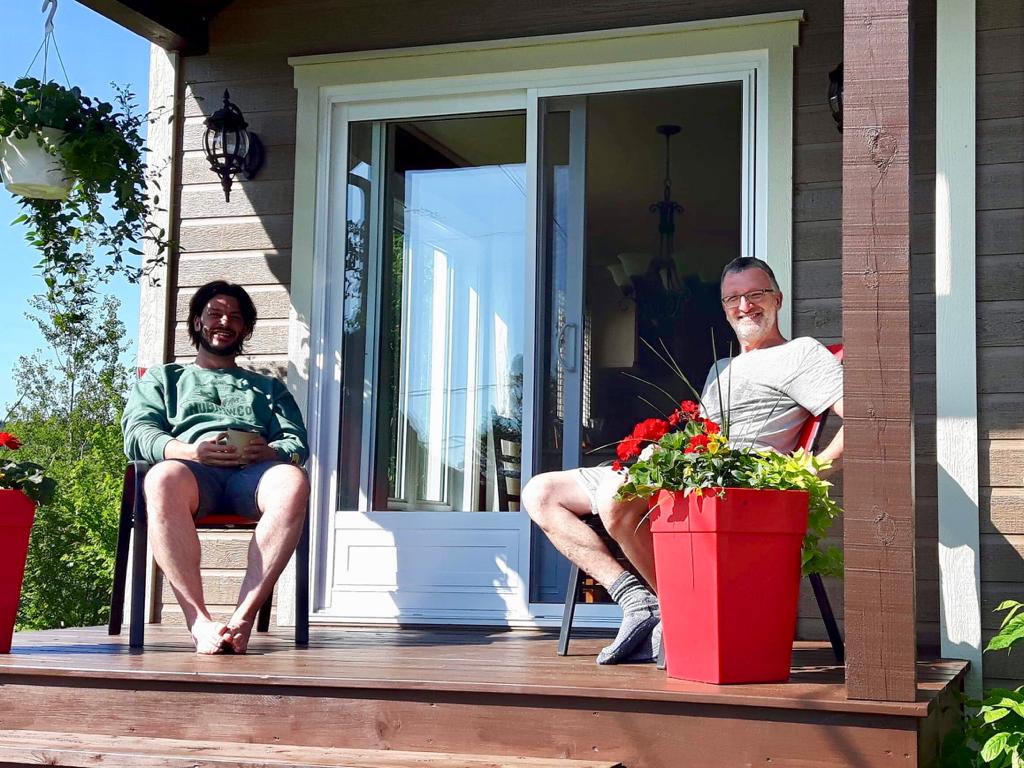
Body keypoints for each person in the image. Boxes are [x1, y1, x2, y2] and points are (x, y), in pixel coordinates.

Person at [522, 256, 844, 664]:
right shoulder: (721, 367)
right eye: (734, 298)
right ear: (725, 309)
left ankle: (681, 612)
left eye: (756, 294)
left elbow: (866, 419)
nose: (745, 305)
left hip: (730, 480)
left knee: (616, 498)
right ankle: (637, 601)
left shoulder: (802, 354)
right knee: (541, 491)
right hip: (689, 467)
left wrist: (807, 474)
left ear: (778, 299)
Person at [122, 280, 310, 655]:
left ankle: (242, 619)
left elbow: (296, 443)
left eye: (235, 317)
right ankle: (199, 621)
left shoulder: (268, 388)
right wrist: (189, 452)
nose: (225, 321)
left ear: (245, 329)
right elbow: (137, 433)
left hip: (251, 477)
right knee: (160, 477)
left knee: (293, 480)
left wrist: (269, 452)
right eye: (215, 314)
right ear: (197, 322)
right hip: (194, 474)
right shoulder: (165, 379)